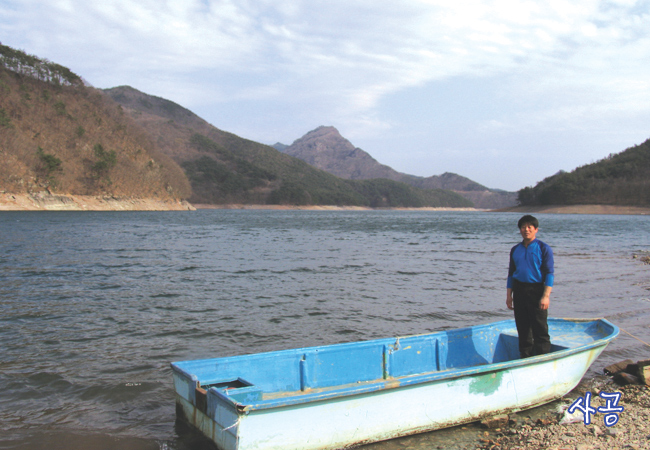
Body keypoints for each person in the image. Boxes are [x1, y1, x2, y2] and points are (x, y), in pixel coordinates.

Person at [506, 215, 554, 358]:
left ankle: (543, 359)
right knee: (523, 328)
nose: (526, 230)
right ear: (519, 230)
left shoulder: (543, 248)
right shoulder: (515, 249)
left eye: (529, 227)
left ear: (536, 230)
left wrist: (545, 296)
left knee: (540, 328)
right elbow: (511, 274)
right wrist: (509, 296)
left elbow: (549, 273)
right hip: (519, 290)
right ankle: (525, 358)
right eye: (523, 227)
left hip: (537, 290)